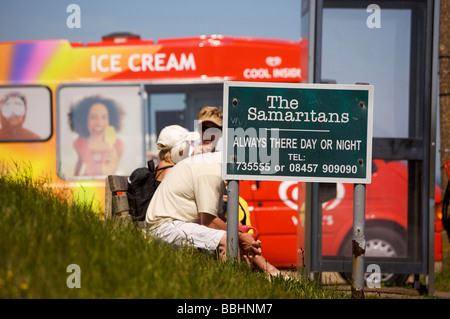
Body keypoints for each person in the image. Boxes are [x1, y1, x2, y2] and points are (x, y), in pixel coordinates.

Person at [146, 151, 281, 277]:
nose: (243, 180)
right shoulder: (212, 173)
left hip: (177, 223)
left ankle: (272, 272)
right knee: (227, 240)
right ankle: (232, 288)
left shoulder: (214, 164)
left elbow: (221, 221)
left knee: (235, 234)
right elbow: (209, 221)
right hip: (165, 227)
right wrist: (240, 236)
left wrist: (242, 234)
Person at [68, 95, 125, 176]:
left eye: (104, 117)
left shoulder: (118, 145)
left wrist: (111, 162)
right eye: (93, 117)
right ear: (85, 120)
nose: (99, 123)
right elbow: (80, 162)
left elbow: (113, 170)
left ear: (110, 120)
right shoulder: (79, 143)